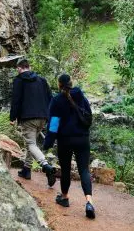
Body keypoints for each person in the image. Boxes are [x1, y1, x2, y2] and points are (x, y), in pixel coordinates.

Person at [43, 74, 96, 219]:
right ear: (71, 83)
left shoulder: (57, 100)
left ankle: (65, 198)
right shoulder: (81, 97)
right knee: (84, 170)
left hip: (65, 140)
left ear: (59, 85)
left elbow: (53, 125)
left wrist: (47, 144)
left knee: (65, 169)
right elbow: (89, 116)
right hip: (82, 139)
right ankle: (89, 202)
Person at [9, 58, 56, 186]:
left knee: (30, 144)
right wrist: (49, 117)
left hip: (28, 118)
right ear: (29, 66)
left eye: (17, 69)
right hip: (43, 117)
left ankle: (46, 166)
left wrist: (12, 117)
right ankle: (26, 169)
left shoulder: (19, 81)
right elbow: (50, 99)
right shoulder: (42, 80)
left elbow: (16, 100)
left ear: (19, 68)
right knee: (32, 144)